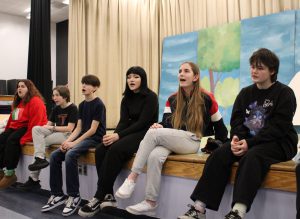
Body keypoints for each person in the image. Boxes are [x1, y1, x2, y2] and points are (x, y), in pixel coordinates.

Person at [178, 48, 298, 219]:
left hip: (280, 142)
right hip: (247, 141)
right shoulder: (245, 93)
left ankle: (238, 211)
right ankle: (198, 209)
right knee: (219, 154)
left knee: (252, 156)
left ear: (272, 70)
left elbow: (279, 127)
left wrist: (249, 144)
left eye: (260, 68)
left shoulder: (284, 93)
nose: (254, 71)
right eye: (252, 67)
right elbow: (236, 121)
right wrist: (236, 138)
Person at [115, 62, 228, 216]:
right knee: (154, 156)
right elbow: (167, 122)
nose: (181, 74)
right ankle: (150, 202)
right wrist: (159, 125)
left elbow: (220, 127)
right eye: (180, 71)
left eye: (186, 71)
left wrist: (221, 147)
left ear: (195, 77)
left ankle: (132, 178)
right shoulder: (172, 99)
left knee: (152, 134)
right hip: (174, 139)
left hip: (194, 141)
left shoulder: (207, 98)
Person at [78, 66, 158, 217]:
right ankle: (109, 194)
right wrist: (113, 135)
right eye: (129, 77)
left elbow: (143, 123)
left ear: (143, 79)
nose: (131, 80)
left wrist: (118, 136)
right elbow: (122, 122)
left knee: (115, 149)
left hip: (145, 133)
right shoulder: (126, 98)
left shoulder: (151, 97)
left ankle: (98, 196)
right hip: (128, 132)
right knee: (102, 148)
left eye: (136, 77)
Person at [41, 75, 106, 217]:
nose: (84, 86)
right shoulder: (82, 105)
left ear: (95, 88)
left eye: (88, 84)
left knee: (70, 154)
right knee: (55, 155)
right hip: (83, 137)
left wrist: (74, 143)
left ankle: (74, 195)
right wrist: (67, 141)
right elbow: (78, 128)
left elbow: (92, 130)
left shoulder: (99, 104)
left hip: (95, 139)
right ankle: (57, 194)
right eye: (83, 83)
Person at [17, 86, 78, 191]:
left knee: (40, 144)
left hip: (67, 135)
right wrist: (43, 129)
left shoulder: (73, 108)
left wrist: (52, 128)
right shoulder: (56, 108)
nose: (54, 98)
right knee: (36, 129)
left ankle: (34, 178)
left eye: (57, 95)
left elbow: (70, 128)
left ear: (65, 96)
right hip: (56, 132)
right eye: (53, 95)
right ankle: (40, 159)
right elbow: (48, 125)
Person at [0, 79, 47, 189]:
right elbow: (12, 120)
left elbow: (36, 123)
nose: (19, 88)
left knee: (12, 140)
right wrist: (6, 132)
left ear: (29, 89)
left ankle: (10, 174)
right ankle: (1, 170)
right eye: (18, 86)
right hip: (16, 127)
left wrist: (24, 139)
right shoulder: (18, 102)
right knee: (2, 139)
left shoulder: (36, 101)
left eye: (23, 86)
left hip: (29, 127)